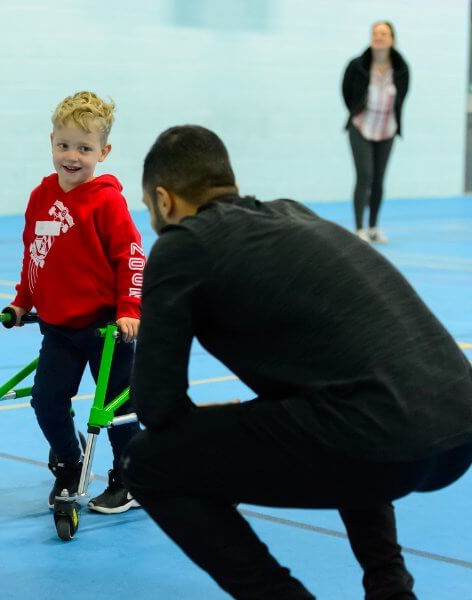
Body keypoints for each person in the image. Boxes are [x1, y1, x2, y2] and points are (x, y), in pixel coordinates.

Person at [121, 125, 472, 598]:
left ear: (163, 200)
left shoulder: (184, 245)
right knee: (344, 413)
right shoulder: (294, 214)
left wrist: (216, 427)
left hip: (383, 436)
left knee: (147, 463)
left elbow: (157, 408)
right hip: (456, 427)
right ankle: (391, 590)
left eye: (148, 208)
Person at [8, 91, 145, 514]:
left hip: (108, 328)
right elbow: (35, 254)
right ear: (51, 142)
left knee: (116, 410)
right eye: (64, 145)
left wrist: (129, 309)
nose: (72, 156)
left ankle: (130, 478)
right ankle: (69, 463)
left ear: (103, 152)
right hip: (60, 329)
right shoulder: (41, 196)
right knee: (46, 400)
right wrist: (21, 302)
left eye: (84, 148)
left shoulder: (106, 201)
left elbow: (132, 256)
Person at [342, 21, 410, 243]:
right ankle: (359, 228)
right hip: (361, 127)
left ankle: (373, 227)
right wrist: (356, 112)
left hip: (387, 129)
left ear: (392, 39)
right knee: (365, 176)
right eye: (375, 33)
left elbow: (403, 96)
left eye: (384, 33)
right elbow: (346, 91)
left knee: (379, 180)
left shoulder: (401, 68)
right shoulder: (357, 65)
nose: (379, 37)